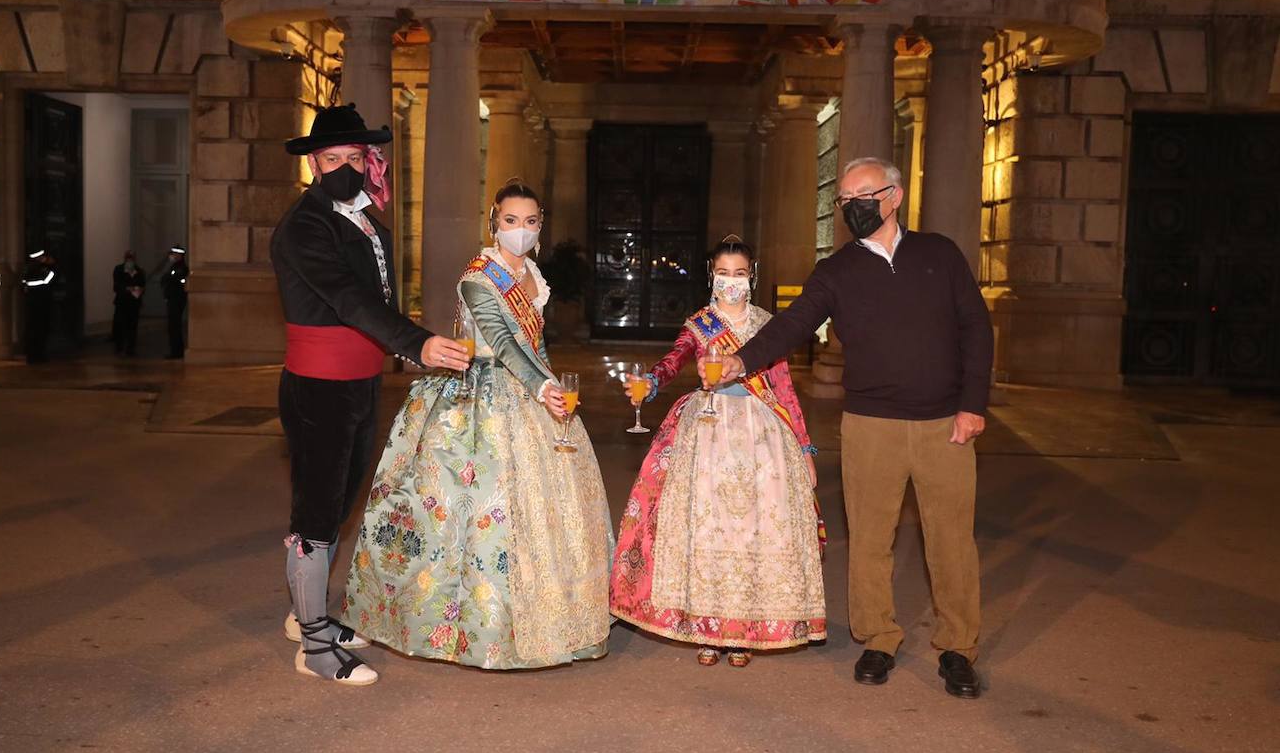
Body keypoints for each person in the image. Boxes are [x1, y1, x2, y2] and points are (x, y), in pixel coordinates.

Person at [708, 157, 993, 698]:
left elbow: (975, 327)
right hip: (870, 425)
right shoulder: (836, 271)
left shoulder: (940, 254)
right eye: (844, 200)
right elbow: (791, 326)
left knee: (952, 539)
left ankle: (958, 646)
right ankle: (878, 637)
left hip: (943, 423)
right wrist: (740, 361)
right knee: (869, 539)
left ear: (894, 196)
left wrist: (972, 403)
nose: (852, 206)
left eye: (861, 195)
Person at [338, 180, 614, 670]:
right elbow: (505, 345)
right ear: (494, 223)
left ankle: (556, 620)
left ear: (540, 226)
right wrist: (539, 387)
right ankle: (454, 625)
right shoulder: (479, 277)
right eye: (511, 221)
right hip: (475, 395)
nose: (521, 231)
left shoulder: (531, 273)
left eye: (530, 222)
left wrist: (551, 386)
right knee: (461, 514)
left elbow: (535, 347)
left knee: (551, 513)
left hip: (530, 392)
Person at [273, 103, 470, 687]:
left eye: (355, 158)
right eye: (332, 159)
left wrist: (406, 344)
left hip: (358, 382)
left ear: (369, 161)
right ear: (313, 163)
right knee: (315, 510)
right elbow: (346, 298)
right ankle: (313, 647)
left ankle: (304, 615)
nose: (345, 169)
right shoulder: (304, 226)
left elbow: (376, 300)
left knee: (338, 502)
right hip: (317, 386)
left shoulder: (365, 221)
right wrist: (417, 343)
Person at [609, 236, 826, 668]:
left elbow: (783, 388)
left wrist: (804, 448)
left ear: (753, 276)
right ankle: (707, 627)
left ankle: (742, 629)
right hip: (707, 433)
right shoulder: (700, 324)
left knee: (752, 533)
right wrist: (650, 384)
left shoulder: (768, 326)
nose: (731, 282)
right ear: (712, 276)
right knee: (707, 532)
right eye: (723, 273)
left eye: (740, 274)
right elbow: (674, 361)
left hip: (762, 435)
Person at [22, 247, 57, 364]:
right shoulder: (42, 270)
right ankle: (38, 356)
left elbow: (24, 285)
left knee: (32, 330)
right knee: (40, 331)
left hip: (32, 303)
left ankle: (32, 356)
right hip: (41, 303)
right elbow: (49, 280)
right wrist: (52, 266)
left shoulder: (27, 268)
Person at [112, 250, 144, 357]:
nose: (129, 260)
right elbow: (116, 286)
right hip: (121, 302)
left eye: (131, 258)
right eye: (128, 258)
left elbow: (142, 286)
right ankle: (119, 347)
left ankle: (131, 348)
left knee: (132, 326)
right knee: (120, 325)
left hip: (134, 303)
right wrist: (126, 289)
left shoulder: (139, 271)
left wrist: (135, 290)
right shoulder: (119, 270)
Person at [161, 245, 188, 359]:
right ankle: (175, 351)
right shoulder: (173, 267)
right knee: (172, 327)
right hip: (172, 299)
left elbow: (177, 280)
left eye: (174, 254)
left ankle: (177, 352)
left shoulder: (181, 268)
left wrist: (169, 278)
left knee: (175, 326)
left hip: (177, 299)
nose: (172, 256)